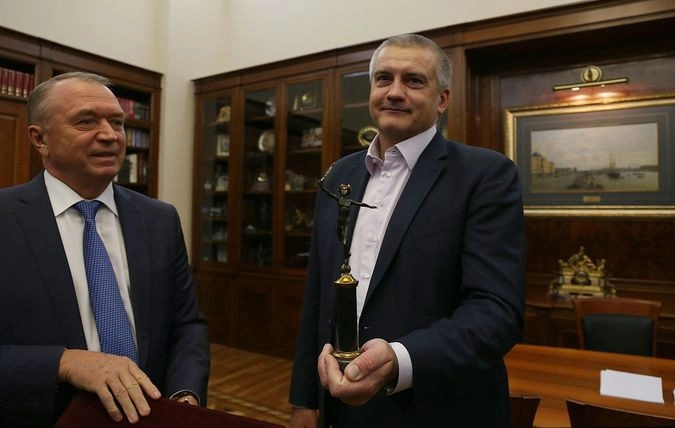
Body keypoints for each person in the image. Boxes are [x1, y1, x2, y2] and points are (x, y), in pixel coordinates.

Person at [289, 34, 525, 427]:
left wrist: (400, 360)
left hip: (437, 409)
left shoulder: (485, 175)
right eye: (383, 78)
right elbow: (317, 296)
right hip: (341, 407)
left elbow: (497, 312)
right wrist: (304, 399)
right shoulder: (339, 176)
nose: (394, 92)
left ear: (442, 99)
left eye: (413, 80)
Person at [0, 72, 210, 426]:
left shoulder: (160, 219)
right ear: (40, 139)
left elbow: (187, 325)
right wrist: (63, 362)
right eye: (86, 121)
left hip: (152, 415)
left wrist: (183, 396)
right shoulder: (5, 219)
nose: (110, 135)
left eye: (117, 122)